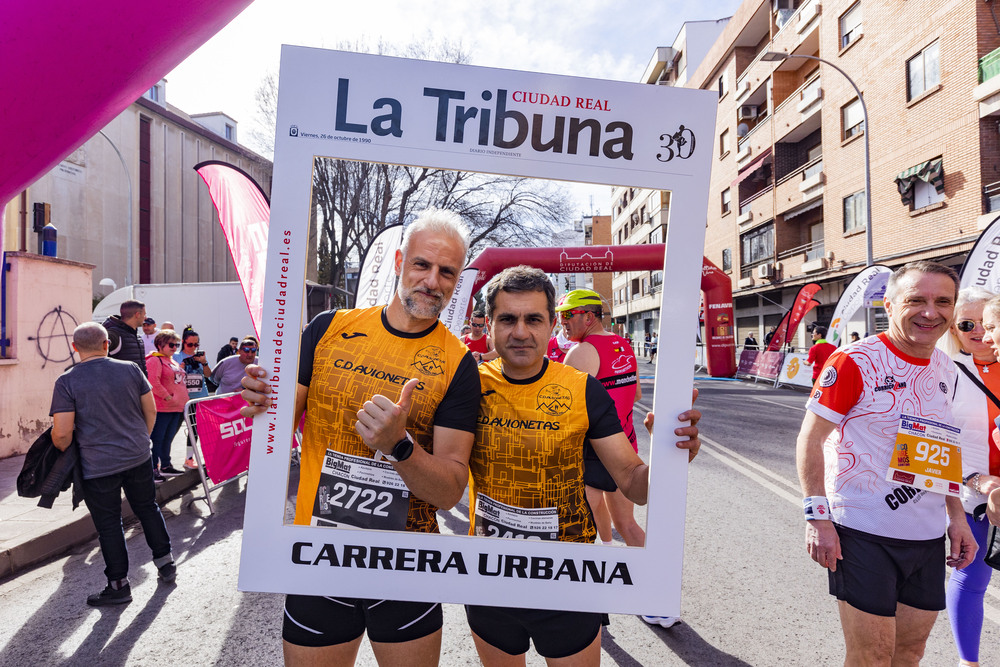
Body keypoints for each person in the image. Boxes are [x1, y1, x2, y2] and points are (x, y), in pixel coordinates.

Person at [241, 209, 480, 667]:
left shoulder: (458, 364)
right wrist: (259, 398)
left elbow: (450, 491)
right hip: (320, 556)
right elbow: (275, 428)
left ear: (457, 279)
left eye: (446, 271)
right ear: (397, 262)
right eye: (421, 265)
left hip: (406, 563)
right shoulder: (328, 328)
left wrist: (400, 447)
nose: (432, 281)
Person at [466, 266, 702, 662]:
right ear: (488, 325)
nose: (521, 331)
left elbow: (631, 481)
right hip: (491, 575)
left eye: (534, 319)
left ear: (548, 327)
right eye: (507, 319)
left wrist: (672, 457)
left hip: (569, 576)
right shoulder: (469, 385)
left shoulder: (582, 388)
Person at [795, 261, 976, 666]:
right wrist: (817, 518)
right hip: (862, 529)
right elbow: (811, 438)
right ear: (890, 306)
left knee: (909, 653)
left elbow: (940, 453)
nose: (931, 312)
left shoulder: (946, 366)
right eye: (916, 300)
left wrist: (957, 518)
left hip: (926, 537)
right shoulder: (854, 361)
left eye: (942, 301)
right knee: (871, 657)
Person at [50, 322, 175, 606]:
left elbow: (61, 433)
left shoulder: (66, 381)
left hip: (98, 465)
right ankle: (166, 563)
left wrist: (62, 449)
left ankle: (119, 585)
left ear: (75, 348)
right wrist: (141, 439)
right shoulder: (131, 369)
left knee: (109, 524)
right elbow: (150, 410)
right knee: (147, 507)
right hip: (138, 455)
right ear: (107, 345)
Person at [942, 287, 1000, 667]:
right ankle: (969, 662)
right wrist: (981, 482)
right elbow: (931, 444)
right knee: (971, 577)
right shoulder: (943, 371)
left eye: (987, 323)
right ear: (953, 329)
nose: (980, 331)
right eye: (967, 324)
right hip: (976, 497)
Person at [145, 329, 187, 481]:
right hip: (162, 407)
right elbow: (152, 381)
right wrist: (168, 397)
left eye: (176, 345)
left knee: (168, 438)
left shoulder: (171, 360)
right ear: (160, 344)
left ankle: (165, 465)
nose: (174, 347)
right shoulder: (155, 360)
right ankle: (153, 468)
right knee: (157, 438)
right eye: (171, 344)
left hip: (176, 407)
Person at [102, 299, 147, 376]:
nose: (145, 318)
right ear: (137, 315)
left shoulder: (137, 336)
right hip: (119, 387)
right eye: (144, 314)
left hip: (137, 386)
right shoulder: (113, 335)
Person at [175, 326, 212, 400]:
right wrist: (180, 369)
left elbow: (208, 375)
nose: (193, 347)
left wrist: (204, 363)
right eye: (190, 345)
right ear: (183, 342)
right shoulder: (175, 356)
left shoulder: (201, 356)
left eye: (196, 345)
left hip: (201, 397)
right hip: (184, 398)